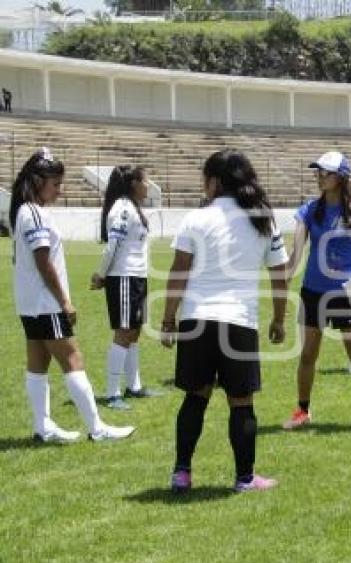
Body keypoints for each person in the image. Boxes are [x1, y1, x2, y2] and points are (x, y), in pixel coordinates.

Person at [161, 149, 288, 493]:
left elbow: (179, 272)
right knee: (241, 402)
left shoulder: (196, 219)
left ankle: (182, 473)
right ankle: (245, 478)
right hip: (239, 322)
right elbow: (280, 276)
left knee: (195, 397)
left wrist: (168, 318)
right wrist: (279, 319)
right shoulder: (263, 220)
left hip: (197, 320)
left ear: (215, 181)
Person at [9, 147, 135, 443]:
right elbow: (43, 262)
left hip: (29, 303)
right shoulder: (34, 213)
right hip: (45, 303)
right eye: (56, 184)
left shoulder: (24, 211)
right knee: (72, 358)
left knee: (37, 362)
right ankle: (97, 428)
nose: (59, 190)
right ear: (38, 181)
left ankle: (43, 426)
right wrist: (64, 300)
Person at [281, 151, 351, 434]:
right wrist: (284, 280)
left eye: (325, 172)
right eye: (318, 172)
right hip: (313, 290)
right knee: (307, 355)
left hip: (348, 291)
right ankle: (302, 410)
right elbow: (296, 252)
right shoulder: (308, 210)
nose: (320, 177)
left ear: (340, 177)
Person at [90, 165, 160, 410]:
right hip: (123, 277)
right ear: (133, 184)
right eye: (145, 180)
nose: (148, 184)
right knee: (123, 332)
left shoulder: (132, 207)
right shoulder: (121, 208)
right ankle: (112, 394)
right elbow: (113, 246)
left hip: (137, 276)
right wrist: (101, 274)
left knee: (134, 331)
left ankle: (134, 386)